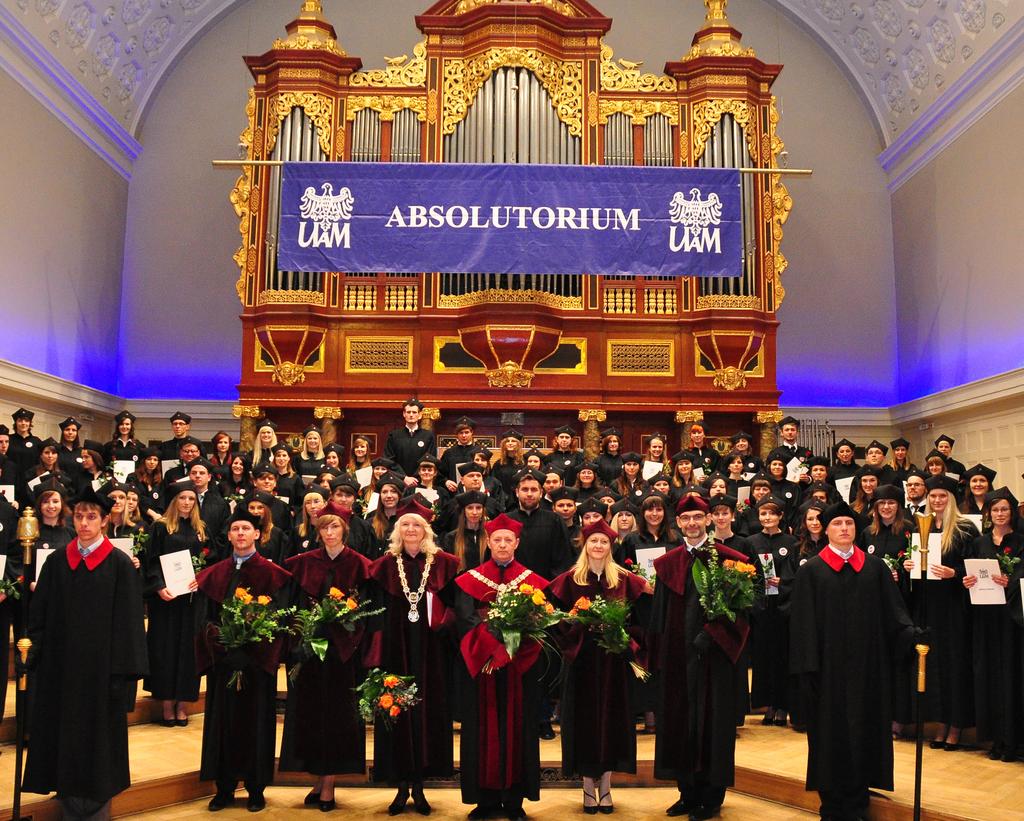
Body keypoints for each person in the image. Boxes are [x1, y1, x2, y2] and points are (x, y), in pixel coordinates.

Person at [22, 484, 148, 821]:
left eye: (92, 517)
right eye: (79, 516)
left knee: (98, 748)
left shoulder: (120, 565)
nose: (84, 523)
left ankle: (95, 810)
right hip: (61, 673)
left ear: (105, 520)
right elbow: (40, 614)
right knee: (63, 740)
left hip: (102, 677)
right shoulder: (58, 563)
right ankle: (68, 804)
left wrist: (122, 678)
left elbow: (130, 626)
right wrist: (33, 650)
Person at [790, 501, 918, 821]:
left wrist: (912, 633)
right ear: (826, 530)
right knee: (829, 737)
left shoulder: (873, 568)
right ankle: (831, 806)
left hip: (868, 669)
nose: (844, 528)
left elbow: (894, 612)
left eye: (849, 523)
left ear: (855, 529)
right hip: (827, 672)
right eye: (837, 524)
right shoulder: (812, 571)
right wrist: (808, 669)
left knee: (865, 731)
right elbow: (803, 625)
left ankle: (859, 803)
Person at [652, 495, 750, 820]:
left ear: (709, 519)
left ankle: (711, 796)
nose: (692, 523)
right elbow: (659, 616)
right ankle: (687, 792)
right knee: (680, 723)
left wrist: (713, 635)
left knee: (713, 725)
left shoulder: (731, 560)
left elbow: (743, 611)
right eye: (686, 519)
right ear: (677, 523)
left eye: (698, 517)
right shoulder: (667, 565)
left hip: (715, 662)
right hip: (678, 661)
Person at [453, 513, 550, 820]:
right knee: (483, 732)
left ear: (517, 543)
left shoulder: (531, 581)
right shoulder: (471, 579)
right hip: (484, 668)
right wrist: (492, 650)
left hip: (518, 670)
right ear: (489, 542)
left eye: (509, 540)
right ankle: (486, 800)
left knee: (518, 730)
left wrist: (510, 651)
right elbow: (466, 620)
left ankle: (514, 801)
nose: (503, 544)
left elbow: (538, 621)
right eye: (498, 539)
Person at [549, 519, 649, 814]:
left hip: (612, 664)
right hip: (581, 662)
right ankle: (587, 787)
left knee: (611, 722)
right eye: (593, 541)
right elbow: (554, 619)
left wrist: (621, 636)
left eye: (604, 542)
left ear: (611, 546)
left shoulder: (625, 579)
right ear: (585, 545)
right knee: (584, 722)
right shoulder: (569, 580)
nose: (598, 546)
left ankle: (605, 786)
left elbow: (642, 620)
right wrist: (579, 629)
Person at [195, 509, 291, 813]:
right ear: (229, 535)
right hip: (224, 662)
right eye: (235, 528)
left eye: (245, 529)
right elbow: (206, 619)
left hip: (256, 664)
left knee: (256, 725)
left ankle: (255, 788)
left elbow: (277, 620)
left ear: (257, 535)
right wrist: (223, 645)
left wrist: (251, 649)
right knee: (221, 724)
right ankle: (223, 788)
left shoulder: (273, 574)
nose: (240, 534)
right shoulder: (215, 573)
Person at [366, 508, 459, 816]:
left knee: (425, 715)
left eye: (416, 524)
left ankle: (419, 787)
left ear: (426, 530)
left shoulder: (446, 564)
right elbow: (376, 614)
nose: (410, 528)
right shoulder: (383, 567)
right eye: (404, 524)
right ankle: (400, 787)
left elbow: (456, 608)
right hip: (396, 651)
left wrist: (444, 623)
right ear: (396, 531)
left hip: (432, 655)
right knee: (397, 714)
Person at [280, 513, 373, 811]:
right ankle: (318, 779)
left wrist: (346, 632)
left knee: (337, 716)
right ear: (317, 532)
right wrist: (301, 638)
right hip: (311, 651)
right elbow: (293, 606)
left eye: (335, 527)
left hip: (343, 654)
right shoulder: (305, 562)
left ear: (344, 531)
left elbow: (367, 609)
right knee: (311, 714)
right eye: (324, 528)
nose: (329, 532)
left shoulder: (359, 563)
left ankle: (329, 783)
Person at [902, 474, 978, 750]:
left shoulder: (965, 529)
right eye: (933, 496)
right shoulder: (922, 526)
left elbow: (976, 567)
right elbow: (918, 568)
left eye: (942, 496)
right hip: (928, 606)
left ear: (951, 498)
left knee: (954, 665)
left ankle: (956, 725)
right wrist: (910, 566)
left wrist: (954, 572)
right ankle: (940, 722)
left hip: (954, 607)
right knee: (934, 667)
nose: (937, 500)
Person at [964, 488, 1023, 761]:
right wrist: (967, 582)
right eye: (995, 510)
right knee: (989, 677)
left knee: (1012, 677)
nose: (1000, 514)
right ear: (988, 513)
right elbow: (972, 572)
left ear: (1012, 512)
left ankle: (1014, 740)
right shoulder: (980, 542)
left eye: (1005, 509)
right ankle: (996, 738)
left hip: (1012, 622)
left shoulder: (1022, 541)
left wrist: (1009, 582)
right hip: (986, 619)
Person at [145, 481, 208, 726]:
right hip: (167, 599)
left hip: (191, 600)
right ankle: (166, 704)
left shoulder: (200, 529)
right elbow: (150, 561)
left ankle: (183, 703)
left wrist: (201, 579)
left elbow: (209, 561)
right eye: (182, 498)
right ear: (174, 501)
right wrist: (159, 586)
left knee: (188, 651)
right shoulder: (160, 527)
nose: (187, 503)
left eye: (191, 499)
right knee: (165, 649)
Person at [747, 495, 798, 728]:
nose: (767, 518)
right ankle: (767, 705)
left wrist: (783, 581)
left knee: (783, 657)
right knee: (763, 658)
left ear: (780, 516)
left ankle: (782, 706)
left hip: (784, 608)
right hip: (761, 608)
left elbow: (798, 575)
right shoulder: (751, 542)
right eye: (763, 514)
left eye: (772, 513)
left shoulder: (792, 542)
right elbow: (747, 572)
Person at [383, 399, 436, 481]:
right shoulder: (394, 435)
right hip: (398, 481)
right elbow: (389, 460)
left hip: (421, 480)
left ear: (420, 415)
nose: (411, 415)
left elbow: (429, 460)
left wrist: (415, 477)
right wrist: (404, 478)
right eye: (408, 412)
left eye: (414, 412)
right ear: (404, 414)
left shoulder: (428, 436)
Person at [442, 490, 490, 571]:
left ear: (483, 511)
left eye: (478, 508)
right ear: (463, 511)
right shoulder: (451, 538)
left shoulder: (490, 535)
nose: (474, 512)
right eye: (470, 508)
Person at [439, 415, 478, 490]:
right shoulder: (449, 453)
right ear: (456, 434)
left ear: (472, 432)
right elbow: (440, 473)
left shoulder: (478, 452)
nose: (464, 435)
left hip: (474, 492)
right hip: (453, 492)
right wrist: (446, 482)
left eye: (466, 432)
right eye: (461, 433)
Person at [8, 407, 43, 475]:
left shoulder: (36, 441)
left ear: (30, 423)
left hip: (31, 478)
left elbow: (41, 462)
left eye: (26, 421)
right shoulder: (8, 439)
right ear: (16, 423)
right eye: (20, 420)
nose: (23, 423)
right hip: (11, 477)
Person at [492, 430, 525, 499]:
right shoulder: (498, 464)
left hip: (519, 498)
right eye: (507, 441)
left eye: (513, 441)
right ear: (504, 444)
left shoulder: (524, 463)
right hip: (502, 499)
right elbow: (494, 483)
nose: (510, 443)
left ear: (518, 444)